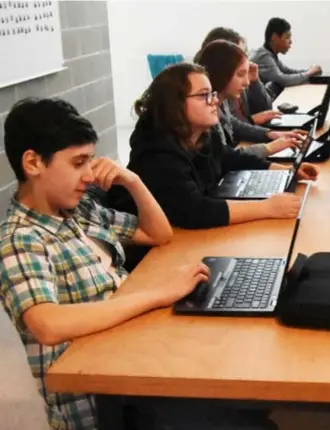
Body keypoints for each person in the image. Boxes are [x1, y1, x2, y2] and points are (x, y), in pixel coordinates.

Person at [0, 98, 209, 429]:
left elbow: (159, 233)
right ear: (33, 163)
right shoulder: (20, 238)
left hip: (132, 359)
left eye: (91, 161)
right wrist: (158, 294)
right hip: (102, 402)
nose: (89, 176)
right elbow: (48, 324)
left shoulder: (78, 211)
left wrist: (132, 181)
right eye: (78, 162)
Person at [108, 62, 318, 233]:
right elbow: (195, 211)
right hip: (152, 254)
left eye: (213, 94)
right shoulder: (156, 152)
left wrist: (288, 173)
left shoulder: (200, 134)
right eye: (204, 95)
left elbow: (231, 158)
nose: (214, 102)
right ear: (175, 103)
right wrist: (268, 207)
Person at [197, 39, 304, 158]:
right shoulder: (204, 113)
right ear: (222, 71)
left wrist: (270, 134)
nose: (247, 82)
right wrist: (269, 147)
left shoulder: (221, 100)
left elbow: (233, 124)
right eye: (240, 74)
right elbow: (224, 158)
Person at [198, 26, 277, 123]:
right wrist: (252, 120)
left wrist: (255, 81)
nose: (244, 59)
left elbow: (266, 109)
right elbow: (231, 127)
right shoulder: (217, 90)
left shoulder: (240, 78)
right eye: (238, 54)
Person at [251, 17, 321, 88]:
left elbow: (287, 71)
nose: (291, 42)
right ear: (274, 38)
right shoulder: (263, 56)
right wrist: (309, 73)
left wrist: (310, 70)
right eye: (287, 37)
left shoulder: (270, 55)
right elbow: (283, 80)